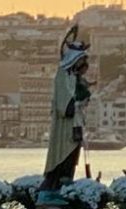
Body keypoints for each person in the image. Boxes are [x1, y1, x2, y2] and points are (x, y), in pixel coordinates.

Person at [40, 26, 91, 195]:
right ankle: (56, 185)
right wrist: (77, 102)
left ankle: (65, 183)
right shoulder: (62, 74)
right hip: (65, 126)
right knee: (63, 157)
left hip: (74, 126)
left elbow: (79, 97)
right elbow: (65, 104)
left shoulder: (73, 76)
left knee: (71, 158)